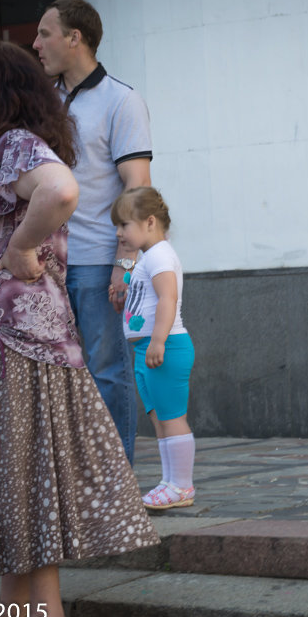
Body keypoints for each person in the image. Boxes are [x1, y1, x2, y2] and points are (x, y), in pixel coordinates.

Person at [0, 41, 158, 617]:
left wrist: (20, 247)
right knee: (14, 495)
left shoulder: (16, 145)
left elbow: (61, 190)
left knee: (17, 490)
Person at [32, 0, 151, 463]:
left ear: (74, 38)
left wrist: (125, 263)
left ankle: (114, 485)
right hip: (47, 264)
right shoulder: (45, 102)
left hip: (97, 262)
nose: (36, 43)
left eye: (45, 33)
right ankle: (78, 486)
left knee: (108, 371)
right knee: (59, 375)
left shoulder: (122, 100)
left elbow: (137, 188)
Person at [111, 187, 197, 510]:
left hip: (165, 347)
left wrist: (159, 340)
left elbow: (167, 298)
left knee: (172, 418)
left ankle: (181, 486)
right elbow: (146, 299)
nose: (119, 233)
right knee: (160, 420)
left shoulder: (160, 254)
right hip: (146, 349)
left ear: (149, 222)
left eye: (124, 225)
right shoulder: (148, 257)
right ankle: (169, 482)